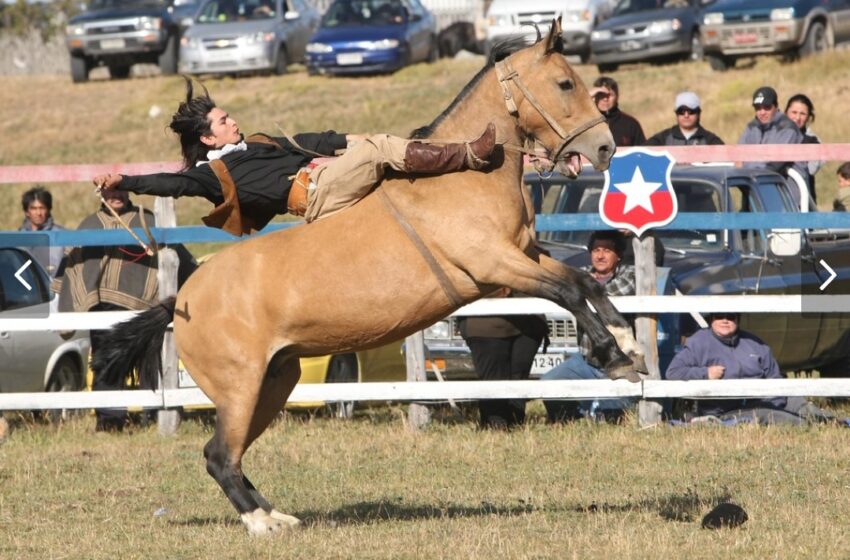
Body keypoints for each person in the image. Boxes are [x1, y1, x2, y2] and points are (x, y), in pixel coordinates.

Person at [94, 78, 497, 235]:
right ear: (209, 138)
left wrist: (364, 139)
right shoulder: (210, 174)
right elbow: (171, 184)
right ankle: (469, 156)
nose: (233, 122)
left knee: (373, 144)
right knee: (377, 151)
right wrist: (125, 182)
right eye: (223, 121)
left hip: (330, 173)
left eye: (229, 116)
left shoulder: (260, 142)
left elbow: (317, 140)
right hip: (315, 195)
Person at [52, 190, 196, 432]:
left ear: (128, 191)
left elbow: (177, 255)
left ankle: (154, 414)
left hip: (145, 308)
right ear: (101, 194)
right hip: (101, 306)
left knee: (149, 359)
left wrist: (195, 277)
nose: (116, 196)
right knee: (106, 361)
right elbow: (74, 267)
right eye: (111, 192)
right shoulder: (88, 226)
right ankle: (110, 419)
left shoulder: (147, 221)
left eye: (120, 190)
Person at [665, 312, 833, 425]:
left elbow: (774, 376)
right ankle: (807, 427)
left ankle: (834, 423)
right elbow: (672, 372)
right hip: (729, 411)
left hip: (769, 399)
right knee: (787, 420)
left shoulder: (755, 343)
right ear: (711, 320)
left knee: (805, 407)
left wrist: (775, 400)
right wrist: (705, 373)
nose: (725, 321)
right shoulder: (699, 342)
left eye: (730, 317)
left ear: (738, 320)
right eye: (719, 316)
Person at [541, 230, 636, 422]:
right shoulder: (580, 274)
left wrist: (580, 291)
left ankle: (608, 416)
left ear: (618, 255)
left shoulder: (630, 274)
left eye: (607, 250)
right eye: (596, 250)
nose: (600, 255)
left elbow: (616, 292)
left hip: (620, 360)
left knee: (613, 415)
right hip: (586, 359)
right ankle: (567, 420)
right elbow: (562, 289)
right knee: (549, 382)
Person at [458, 291, 548, 430]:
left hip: (530, 321)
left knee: (519, 379)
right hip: (485, 322)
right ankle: (495, 429)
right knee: (493, 381)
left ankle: (516, 426)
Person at [738, 86, 808, 208]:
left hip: (787, 200)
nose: (762, 112)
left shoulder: (788, 128)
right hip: (757, 196)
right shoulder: (751, 127)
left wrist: (748, 166)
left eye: (767, 107)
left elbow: (775, 164)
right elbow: (738, 159)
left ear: (776, 106)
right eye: (758, 108)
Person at [18, 186, 66, 278]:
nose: (38, 213)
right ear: (26, 212)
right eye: (33, 208)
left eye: (42, 208)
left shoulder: (61, 234)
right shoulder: (19, 236)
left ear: (48, 210)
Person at [645, 91, 724, 147]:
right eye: (681, 111)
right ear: (676, 114)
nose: (686, 115)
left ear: (699, 113)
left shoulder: (710, 140)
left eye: (691, 111)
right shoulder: (662, 138)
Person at [784, 93, 823, 204]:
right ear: (786, 112)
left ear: (809, 117)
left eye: (802, 114)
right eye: (794, 112)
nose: (797, 118)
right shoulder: (774, 135)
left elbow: (811, 169)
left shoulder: (813, 141)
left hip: (803, 201)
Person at [589, 76, 645, 147]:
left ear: (617, 97)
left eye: (610, 95)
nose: (605, 99)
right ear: (594, 97)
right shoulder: (586, 124)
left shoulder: (631, 124)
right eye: (601, 94)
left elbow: (641, 154)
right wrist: (587, 97)